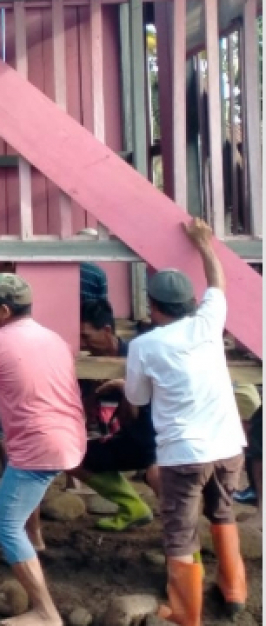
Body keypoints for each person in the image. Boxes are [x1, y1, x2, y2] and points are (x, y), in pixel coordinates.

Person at [122, 218, 247, 624]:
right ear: (189, 303)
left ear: (153, 307)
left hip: (184, 453)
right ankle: (234, 593)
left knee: (179, 531)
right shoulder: (209, 323)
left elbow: (137, 398)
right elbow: (218, 283)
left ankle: (184, 614)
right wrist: (204, 244)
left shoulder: (143, 346)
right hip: (228, 445)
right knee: (223, 514)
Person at [0, 273, 85, 626]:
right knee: (18, 509)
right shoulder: (55, 339)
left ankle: (45, 612)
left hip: (39, 445)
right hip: (70, 437)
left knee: (4, 525)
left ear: (3, 309)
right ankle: (34, 547)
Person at [68, 298, 157, 531]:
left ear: (107, 330)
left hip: (150, 439)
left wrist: (124, 388)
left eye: (86, 336)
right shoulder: (88, 365)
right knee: (70, 456)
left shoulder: (136, 357)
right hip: (121, 438)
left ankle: (137, 508)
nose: (82, 343)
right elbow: (85, 410)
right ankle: (132, 506)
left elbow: (136, 416)